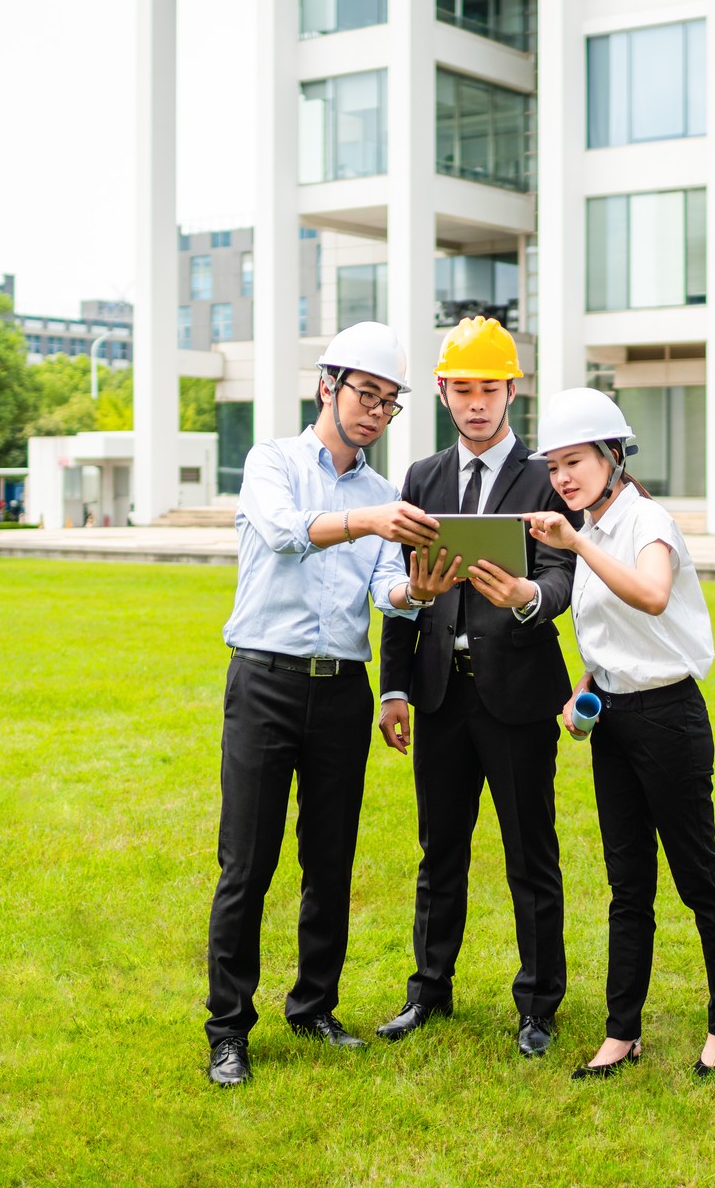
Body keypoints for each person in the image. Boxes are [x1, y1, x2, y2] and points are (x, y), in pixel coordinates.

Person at [204, 321, 457, 1089]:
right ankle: (228, 1030)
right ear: (328, 386)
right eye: (366, 394)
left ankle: (313, 1005)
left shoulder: (386, 494)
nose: (378, 411)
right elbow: (284, 536)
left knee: (330, 860)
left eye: (390, 401)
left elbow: (388, 589)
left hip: (342, 689)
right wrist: (370, 522)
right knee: (246, 862)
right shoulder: (271, 461)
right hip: (266, 682)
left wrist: (421, 587)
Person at [521, 388, 715, 1081]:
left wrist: (576, 543)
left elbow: (651, 594)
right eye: (555, 466)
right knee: (628, 886)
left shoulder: (646, 520)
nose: (563, 478)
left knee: (696, 876)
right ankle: (622, 1031)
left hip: (669, 718)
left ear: (612, 456)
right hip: (614, 720)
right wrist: (585, 689)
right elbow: (610, 637)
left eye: (575, 461)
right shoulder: (587, 526)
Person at [373, 318, 579, 1060]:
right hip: (439, 696)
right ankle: (428, 990)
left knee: (531, 852)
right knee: (440, 852)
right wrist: (393, 688)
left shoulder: (546, 477)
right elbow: (401, 589)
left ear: (512, 390)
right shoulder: (422, 478)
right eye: (462, 389)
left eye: (488, 388)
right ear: (441, 393)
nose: (476, 403)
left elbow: (565, 575)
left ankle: (538, 1004)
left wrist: (529, 593)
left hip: (520, 693)